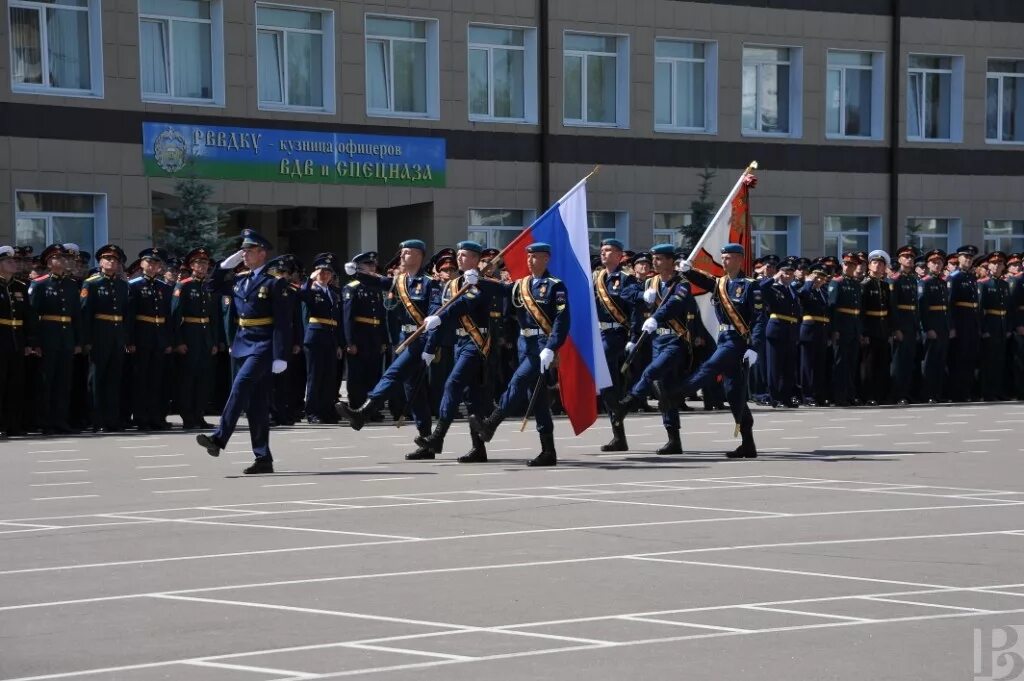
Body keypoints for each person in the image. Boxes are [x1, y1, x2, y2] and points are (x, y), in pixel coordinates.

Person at [196, 229, 292, 474]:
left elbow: (282, 322)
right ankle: (263, 458)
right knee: (256, 405)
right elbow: (211, 286)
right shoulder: (239, 279)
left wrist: (280, 355)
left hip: (263, 345)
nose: (245, 255)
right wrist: (225, 265)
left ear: (262, 253)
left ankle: (219, 438)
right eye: (243, 251)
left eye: (249, 251)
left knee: (239, 387)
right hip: (242, 343)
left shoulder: (274, 282)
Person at [468, 242, 569, 467]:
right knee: (539, 400)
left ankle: (490, 424)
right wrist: (479, 281)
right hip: (525, 344)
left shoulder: (555, 286)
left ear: (546, 259)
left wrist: (551, 348)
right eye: (529, 257)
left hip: (542, 346)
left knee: (518, 382)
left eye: (536, 257)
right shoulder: (522, 285)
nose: (530, 260)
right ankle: (548, 451)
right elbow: (502, 289)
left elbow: (562, 321)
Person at [340, 240, 441, 458]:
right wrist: (357, 274)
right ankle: (427, 442)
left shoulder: (430, 283)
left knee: (392, 374)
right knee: (415, 393)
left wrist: (430, 345)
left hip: (420, 340)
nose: (402, 256)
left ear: (418, 255)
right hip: (405, 339)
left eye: (406, 252)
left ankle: (364, 412)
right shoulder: (400, 281)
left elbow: (434, 314)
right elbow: (379, 282)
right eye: (402, 252)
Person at [610, 243, 697, 455]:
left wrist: (656, 317)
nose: (654, 263)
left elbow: (673, 305)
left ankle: (628, 403)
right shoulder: (651, 282)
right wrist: (643, 296)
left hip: (676, 341)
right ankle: (673, 439)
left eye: (659, 259)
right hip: (656, 342)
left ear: (670, 261)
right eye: (653, 259)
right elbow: (624, 293)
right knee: (663, 391)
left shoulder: (682, 284)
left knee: (651, 372)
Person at [415, 241, 495, 462]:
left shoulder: (481, 283)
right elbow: (445, 320)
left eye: (465, 255)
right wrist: (431, 348)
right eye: (459, 255)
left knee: (452, 384)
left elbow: (462, 306)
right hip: (460, 342)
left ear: (477, 260)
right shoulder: (452, 284)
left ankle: (438, 436)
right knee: (472, 397)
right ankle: (478, 448)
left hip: (476, 343)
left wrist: (440, 316)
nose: (460, 259)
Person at [29, 243, 82, 435]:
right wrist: (34, 342)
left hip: (66, 337)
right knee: (46, 381)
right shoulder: (40, 283)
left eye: (65, 258)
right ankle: (45, 421)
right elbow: (33, 315)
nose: (63, 261)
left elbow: (77, 315)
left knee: (63, 382)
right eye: (58, 258)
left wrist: (77, 341)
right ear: (49, 262)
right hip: (48, 336)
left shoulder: (71, 284)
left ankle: (60, 420)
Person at [593, 238, 639, 451]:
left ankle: (619, 411)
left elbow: (635, 309)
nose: (604, 253)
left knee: (603, 377)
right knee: (609, 385)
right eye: (602, 250)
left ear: (620, 255)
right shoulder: (597, 278)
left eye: (609, 250)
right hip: (600, 333)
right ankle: (619, 434)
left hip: (617, 334)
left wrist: (633, 337)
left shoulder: (627, 279)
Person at [81, 244, 130, 432]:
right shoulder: (91, 283)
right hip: (99, 334)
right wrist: (87, 340)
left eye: (115, 260)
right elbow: (86, 313)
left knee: (114, 378)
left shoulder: (121, 284)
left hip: (117, 336)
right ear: (100, 262)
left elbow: (125, 314)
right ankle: (97, 419)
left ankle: (112, 419)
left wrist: (125, 338)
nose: (112, 262)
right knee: (97, 379)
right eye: (108, 258)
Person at [171, 247, 220, 430]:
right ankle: (188, 417)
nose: (202, 266)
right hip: (189, 336)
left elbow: (213, 318)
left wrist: (214, 341)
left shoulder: (207, 286)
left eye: (205, 263)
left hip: (205, 336)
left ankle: (199, 415)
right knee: (188, 379)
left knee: (203, 379)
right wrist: (178, 341)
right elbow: (175, 316)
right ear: (191, 266)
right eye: (198, 263)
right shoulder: (183, 285)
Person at [128, 248, 174, 430]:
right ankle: (141, 417)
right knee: (141, 379)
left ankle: (156, 416)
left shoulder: (164, 287)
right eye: (149, 262)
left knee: (157, 379)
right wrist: (130, 341)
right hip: (142, 336)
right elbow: (130, 315)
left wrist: (169, 341)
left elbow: (169, 318)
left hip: (159, 337)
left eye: (156, 263)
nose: (152, 265)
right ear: (142, 264)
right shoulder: (134, 285)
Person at [299, 253, 344, 424]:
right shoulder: (311, 289)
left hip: (331, 337)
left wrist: (339, 344)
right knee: (315, 376)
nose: (325, 275)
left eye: (328, 272)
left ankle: (326, 410)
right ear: (315, 273)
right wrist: (309, 280)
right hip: (315, 337)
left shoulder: (333, 292)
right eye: (321, 271)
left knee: (329, 377)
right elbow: (302, 294)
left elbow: (337, 320)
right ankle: (312, 412)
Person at [342, 251, 386, 419]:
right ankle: (357, 406)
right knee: (357, 375)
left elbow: (381, 316)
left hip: (374, 336)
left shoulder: (376, 288)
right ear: (359, 268)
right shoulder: (352, 287)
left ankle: (371, 409)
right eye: (369, 265)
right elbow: (347, 317)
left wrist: (383, 339)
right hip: (360, 336)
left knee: (374, 373)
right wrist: (350, 341)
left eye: (373, 265)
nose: (372, 267)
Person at [0, 245, 36, 439]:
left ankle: (14, 424)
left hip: (17, 341)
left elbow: (28, 317)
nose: (14, 263)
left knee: (16, 385)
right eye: (8, 261)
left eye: (13, 260)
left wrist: (29, 341)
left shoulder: (20, 287)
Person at [760, 257, 802, 408]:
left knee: (788, 367)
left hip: (790, 331)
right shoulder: (773, 288)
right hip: (777, 329)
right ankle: (774, 397)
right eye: (785, 272)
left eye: (791, 273)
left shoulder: (792, 290)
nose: (788, 275)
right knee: (775, 366)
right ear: (779, 273)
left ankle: (786, 397)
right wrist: (774, 278)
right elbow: (761, 288)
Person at [828, 252, 864, 406]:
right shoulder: (837, 282)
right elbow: (832, 307)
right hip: (842, 327)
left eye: (852, 265)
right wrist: (834, 329)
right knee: (840, 363)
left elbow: (859, 310)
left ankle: (850, 394)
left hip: (854, 327)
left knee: (851, 363)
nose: (848, 267)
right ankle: (839, 396)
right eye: (846, 264)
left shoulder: (856, 284)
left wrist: (860, 331)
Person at [947, 245, 980, 401]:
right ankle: (956, 393)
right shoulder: (955, 277)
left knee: (969, 358)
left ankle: (966, 392)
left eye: (970, 257)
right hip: (960, 321)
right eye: (965, 257)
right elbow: (950, 304)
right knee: (958, 358)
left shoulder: (971, 277)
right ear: (958, 258)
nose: (968, 260)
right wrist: (952, 326)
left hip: (971, 321)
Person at [917, 249, 950, 403]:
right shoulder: (925, 282)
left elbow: (946, 307)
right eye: (934, 263)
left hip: (943, 326)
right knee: (929, 362)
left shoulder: (942, 282)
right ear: (928, 264)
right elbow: (922, 308)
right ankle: (927, 394)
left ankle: (937, 393)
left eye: (939, 263)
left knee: (940, 362)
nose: (937, 265)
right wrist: (927, 328)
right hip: (932, 327)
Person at [860, 250, 893, 406]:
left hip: (883, 328)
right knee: (869, 364)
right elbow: (861, 311)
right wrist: (864, 332)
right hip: (871, 328)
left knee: (882, 363)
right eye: (875, 263)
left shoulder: (885, 285)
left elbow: (889, 309)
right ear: (869, 266)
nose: (878, 265)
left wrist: (890, 330)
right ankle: (868, 395)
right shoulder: (865, 284)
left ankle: (881, 394)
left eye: (881, 264)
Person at [978, 251, 1010, 401]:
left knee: (999, 360)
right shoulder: (983, 284)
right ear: (989, 265)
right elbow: (980, 310)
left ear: (1004, 266)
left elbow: (1007, 308)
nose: (997, 266)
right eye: (994, 263)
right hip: (990, 325)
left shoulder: (1004, 284)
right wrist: (983, 329)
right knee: (988, 361)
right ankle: (987, 392)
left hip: (1002, 325)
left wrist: (1008, 327)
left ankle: (997, 390)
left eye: (1000, 263)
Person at [890, 245, 920, 405]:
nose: (909, 259)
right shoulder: (895, 280)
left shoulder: (913, 279)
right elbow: (893, 306)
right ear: (900, 259)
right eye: (906, 257)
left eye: (911, 257)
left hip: (912, 324)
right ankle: (897, 393)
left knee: (909, 361)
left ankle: (906, 392)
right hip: (901, 324)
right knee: (899, 362)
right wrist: (896, 328)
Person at [797, 263, 830, 407]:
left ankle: (818, 394)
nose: (819, 280)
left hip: (821, 331)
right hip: (809, 330)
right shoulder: (806, 289)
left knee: (819, 365)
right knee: (807, 365)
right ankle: (807, 395)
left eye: (822, 277)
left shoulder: (823, 292)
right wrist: (808, 282)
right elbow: (802, 295)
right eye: (816, 277)